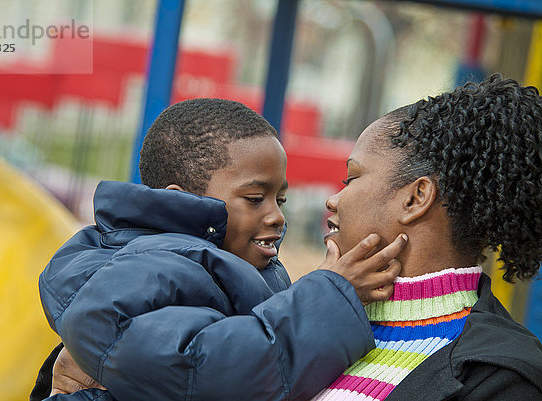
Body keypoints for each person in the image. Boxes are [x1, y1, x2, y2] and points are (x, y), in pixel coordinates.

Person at [32, 98, 407, 401]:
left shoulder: (230, 265)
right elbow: (208, 370)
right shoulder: (147, 267)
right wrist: (331, 295)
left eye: (281, 199)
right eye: (255, 198)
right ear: (179, 204)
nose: (276, 216)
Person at [311, 74, 542, 400]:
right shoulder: (314, 319)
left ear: (416, 198)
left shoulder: (502, 376)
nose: (334, 200)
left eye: (351, 178)